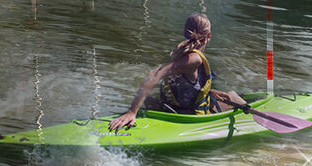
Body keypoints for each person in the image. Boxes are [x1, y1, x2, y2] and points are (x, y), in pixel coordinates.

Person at [108, 13, 255, 132]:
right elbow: (154, 75)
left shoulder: (180, 51)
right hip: (187, 116)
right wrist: (132, 112)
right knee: (235, 97)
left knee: (226, 96)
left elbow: (183, 86)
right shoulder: (194, 59)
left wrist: (208, 92)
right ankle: (254, 126)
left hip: (173, 107)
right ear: (208, 36)